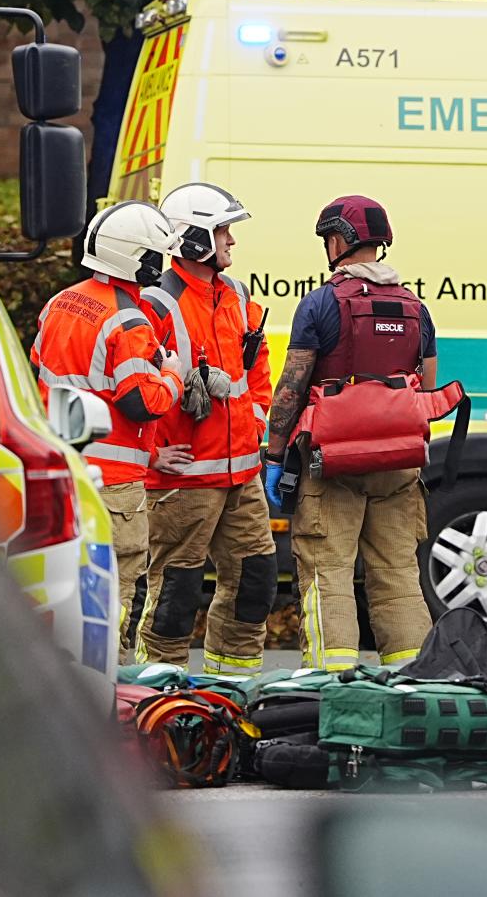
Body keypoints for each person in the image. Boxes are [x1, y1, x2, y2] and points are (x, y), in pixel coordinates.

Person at [262, 195, 438, 671]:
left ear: (338, 240)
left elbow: (291, 387)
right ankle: (414, 682)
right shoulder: (415, 308)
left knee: (327, 572)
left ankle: (331, 682)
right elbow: (430, 386)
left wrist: (274, 455)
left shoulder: (320, 304)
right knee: (398, 575)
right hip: (399, 465)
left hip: (331, 462)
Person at [32, 201, 186, 665]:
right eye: (155, 256)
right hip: (115, 486)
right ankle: (110, 681)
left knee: (67, 582)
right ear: (135, 257)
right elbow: (141, 402)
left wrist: (151, 455)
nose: (160, 266)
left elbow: (42, 370)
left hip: (62, 467)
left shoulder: (62, 302)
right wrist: (174, 376)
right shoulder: (131, 322)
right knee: (119, 585)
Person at [135, 182, 277, 674]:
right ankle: (158, 697)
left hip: (242, 474)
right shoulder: (157, 303)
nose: (232, 241)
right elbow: (130, 388)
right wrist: (152, 454)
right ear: (194, 238)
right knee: (175, 596)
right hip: (184, 479)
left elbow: (256, 370)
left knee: (256, 581)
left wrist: (256, 422)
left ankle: (232, 689)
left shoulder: (235, 294)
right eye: (223, 231)